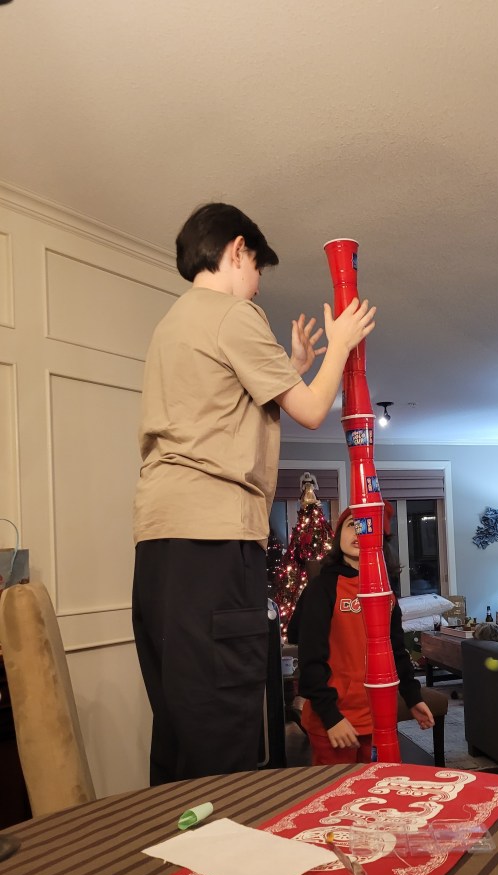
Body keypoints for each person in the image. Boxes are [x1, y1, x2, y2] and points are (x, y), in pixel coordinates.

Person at [132, 202, 376, 784]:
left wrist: (291, 365)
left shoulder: (173, 324)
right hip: (214, 541)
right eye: (258, 267)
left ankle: (177, 839)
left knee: (181, 725)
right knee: (225, 727)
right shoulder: (233, 313)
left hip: (161, 547)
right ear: (237, 250)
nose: (259, 283)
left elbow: (224, 408)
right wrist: (341, 342)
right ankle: (227, 840)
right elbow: (311, 410)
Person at [295, 505, 434, 764]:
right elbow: (310, 658)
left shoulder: (386, 592)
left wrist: (412, 697)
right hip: (334, 721)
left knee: (380, 785)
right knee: (339, 787)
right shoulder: (322, 588)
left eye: (369, 527)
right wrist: (331, 717)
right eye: (352, 525)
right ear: (339, 535)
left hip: (378, 720)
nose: (360, 533)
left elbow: (396, 650)